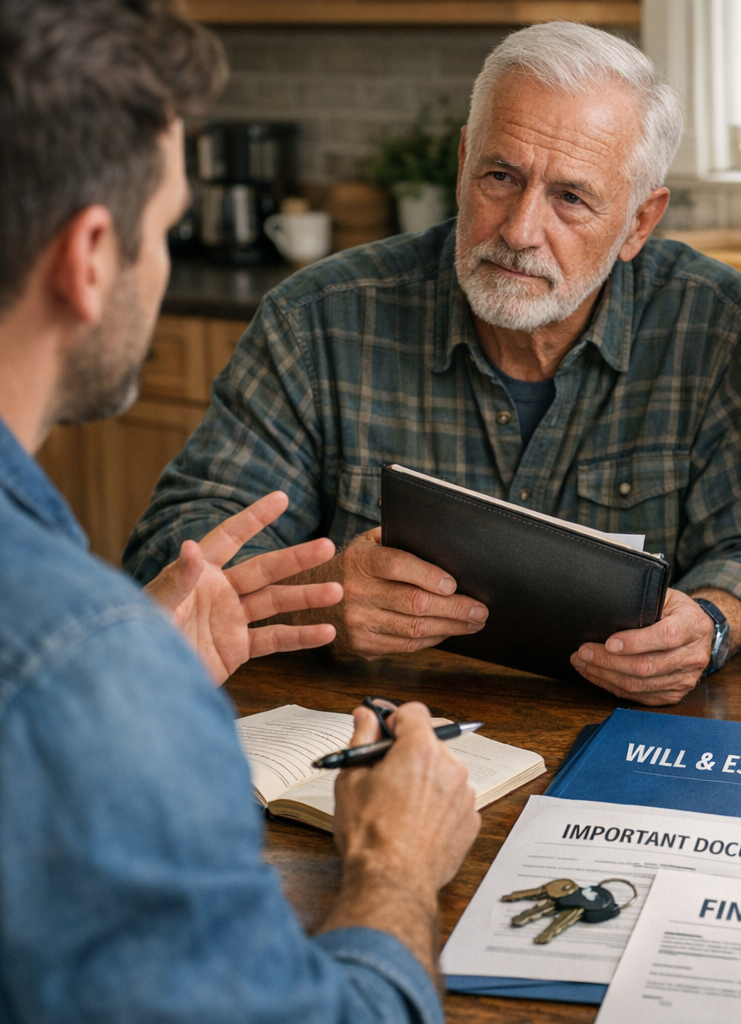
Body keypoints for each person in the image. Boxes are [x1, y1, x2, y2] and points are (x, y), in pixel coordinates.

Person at [0, 2, 479, 1021]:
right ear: (90, 257)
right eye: (168, 226)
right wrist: (394, 867)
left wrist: (135, 666)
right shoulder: (78, 659)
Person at [124, 21, 741, 706]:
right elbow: (175, 555)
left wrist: (711, 625)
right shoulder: (318, 319)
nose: (519, 230)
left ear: (639, 223)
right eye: (501, 176)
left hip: (614, 742)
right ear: (462, 166)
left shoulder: (709, 322)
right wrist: (316, 604)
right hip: (367, 731)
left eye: (571, 197)